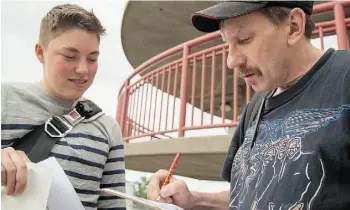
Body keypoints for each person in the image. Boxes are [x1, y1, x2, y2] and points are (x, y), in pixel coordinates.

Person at [147, 1, 350, 210]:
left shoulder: (345, 80)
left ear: (294, 26)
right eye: (227, 43)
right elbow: (247, 195)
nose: (231, 61)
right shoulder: (256, 104)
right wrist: (194, 200)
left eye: (244, 39)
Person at [1, 4, 126, 210]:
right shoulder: (4, 101)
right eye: (70, 56)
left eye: (92, 59)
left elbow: (113, 206)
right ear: (40, 53)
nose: (83, 69)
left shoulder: (108, 129)